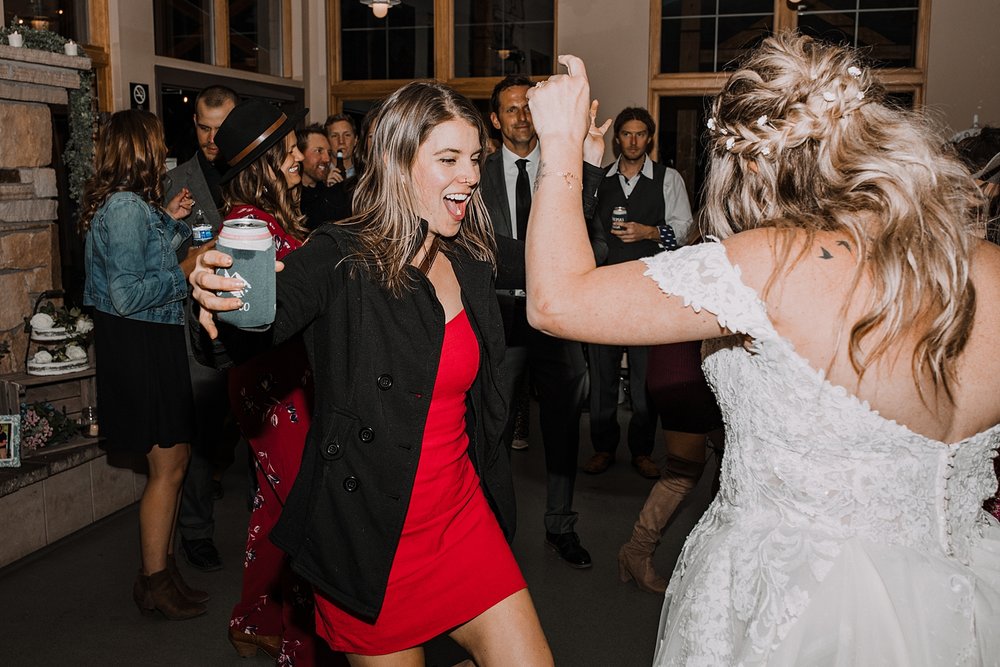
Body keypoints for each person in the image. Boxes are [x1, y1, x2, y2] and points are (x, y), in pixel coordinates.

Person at [525, 40, 1000, 665]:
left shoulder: (771, 263)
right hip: (968, 596)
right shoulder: (985, 268)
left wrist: (559, 145)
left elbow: (555, 302)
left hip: (802, 603)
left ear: (751, 164)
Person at [190, 82, 553, 665]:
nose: (468, 176)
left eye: (474, 159)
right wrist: (216, 295)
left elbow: (562, 268)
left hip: (461, 521)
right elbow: (249, 331)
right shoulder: (341, 254)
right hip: (370, 535)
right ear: (397, 162)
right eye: (448, 159)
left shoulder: (469, 251)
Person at [205, 98, 325, 664]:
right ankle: (298, 644)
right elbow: (254, 320)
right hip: (270, 387)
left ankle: (254, 618)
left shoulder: (265, 218)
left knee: (276, 507)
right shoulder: (250, 226)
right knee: (301, 510)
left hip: (279, 382)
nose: (301, 155)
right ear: (267, 162)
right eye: (291, 149)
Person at [81, 109, 205, 621]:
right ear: (141, 150)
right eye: (157, 143)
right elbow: (129, 294)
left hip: (148, 340)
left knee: (174, 463)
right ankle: (154, 581)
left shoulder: (133, 207)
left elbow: (143, 264)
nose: (164, 152)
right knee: (167, 466)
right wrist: (188, 271)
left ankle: (164, 569)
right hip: (140, 342)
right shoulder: (126, 207)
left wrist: (171, 224)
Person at [481, 74, 609, 568]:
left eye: (528, 109)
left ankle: (561, 526)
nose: (520, 117)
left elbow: (594, 240)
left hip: (557, 325)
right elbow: (480, 250)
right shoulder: (480, 173)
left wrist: (571, 265)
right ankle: (491, 530)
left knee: (561, 429)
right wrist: (544, 263)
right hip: (500, 318)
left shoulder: (565, 168)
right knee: (491, 431)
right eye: (510, 109)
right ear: (495, 120)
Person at [583, 106, 694, 479]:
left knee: (646, 379)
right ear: (618, 139)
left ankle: (642, 451)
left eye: (640, 134)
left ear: (650, 138)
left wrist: (649, 233)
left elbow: (684, 229)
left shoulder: (668, 179)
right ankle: (602, 447)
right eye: (626, 134)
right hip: (603, 295)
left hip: (650, 295)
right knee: (602, 376)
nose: (632, 141)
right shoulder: (600, 179)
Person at [165, 84, 240, 574]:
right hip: (200, 331)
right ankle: (196, 531)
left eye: (221, 128)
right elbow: (166, 261)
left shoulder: (255, 170)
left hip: (259, 326)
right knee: (198, 432)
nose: (212, 139)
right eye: (204, 128)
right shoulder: (177, 182)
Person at [297, 124, 351, 229]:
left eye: (329, 152)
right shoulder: (288, 199)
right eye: (319, 151)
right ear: (299, 154)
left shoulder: (333, 195)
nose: (327, 159)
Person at [324, 113, 359, 183]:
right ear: (326, 141)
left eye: (347, 135)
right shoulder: (319, 175)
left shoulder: (364, 174)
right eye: (334, 136)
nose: (341, 141)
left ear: (355, 140)